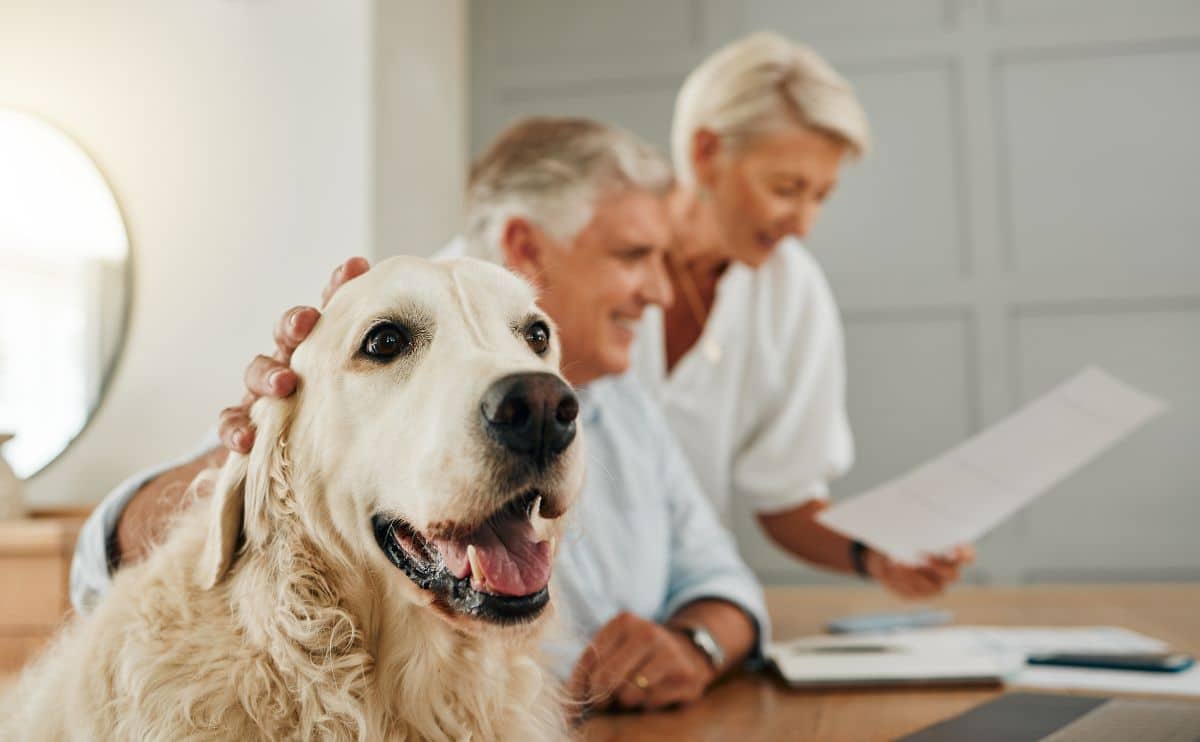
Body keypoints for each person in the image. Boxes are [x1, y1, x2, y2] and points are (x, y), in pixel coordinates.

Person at [70, 118, 767, 712]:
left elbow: (722, 580)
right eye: (634, 255)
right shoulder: (355, 342)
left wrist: (694, 643)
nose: (659, 291)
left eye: (663, 259)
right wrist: (261, 450)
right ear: (526, 248)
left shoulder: (621, 402)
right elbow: (110, 557)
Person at [632, 31, 973, 598]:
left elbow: (786, 498)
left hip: (674, 612)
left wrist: (876, 554)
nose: (804, 222)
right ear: (705, 153)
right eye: (786, 188)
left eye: (821, 196)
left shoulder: (793, 291)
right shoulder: (583, 242)